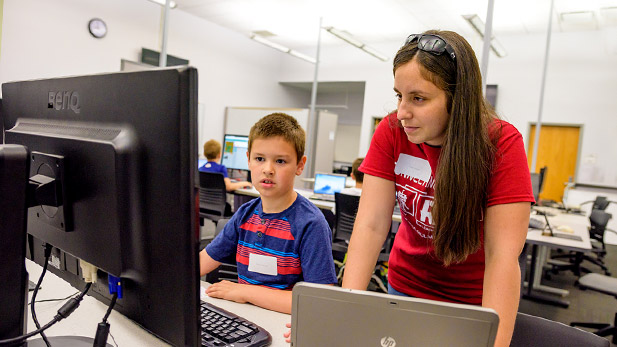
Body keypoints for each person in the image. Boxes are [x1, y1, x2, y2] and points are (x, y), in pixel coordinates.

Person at [341, 30, 534, 347]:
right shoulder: (391, 131)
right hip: (403, 289)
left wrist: (495, 342)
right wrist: (347, 309)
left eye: (418, 98)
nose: (402, 112)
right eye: (399, 96)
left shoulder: (501, 142)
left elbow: (502, 256)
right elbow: (371, 224)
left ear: (457, 98)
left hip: (471, 304)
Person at [199, 113, 337, 314]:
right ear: (248, 160)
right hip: (246, 317)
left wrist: (246, 292)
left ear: (300, 165)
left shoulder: (310, 223)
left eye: (280, 161)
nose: (268, 169)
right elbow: (204, 261)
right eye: (259, 159)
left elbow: (317, 300)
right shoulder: (245, 214)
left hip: (284, 323)